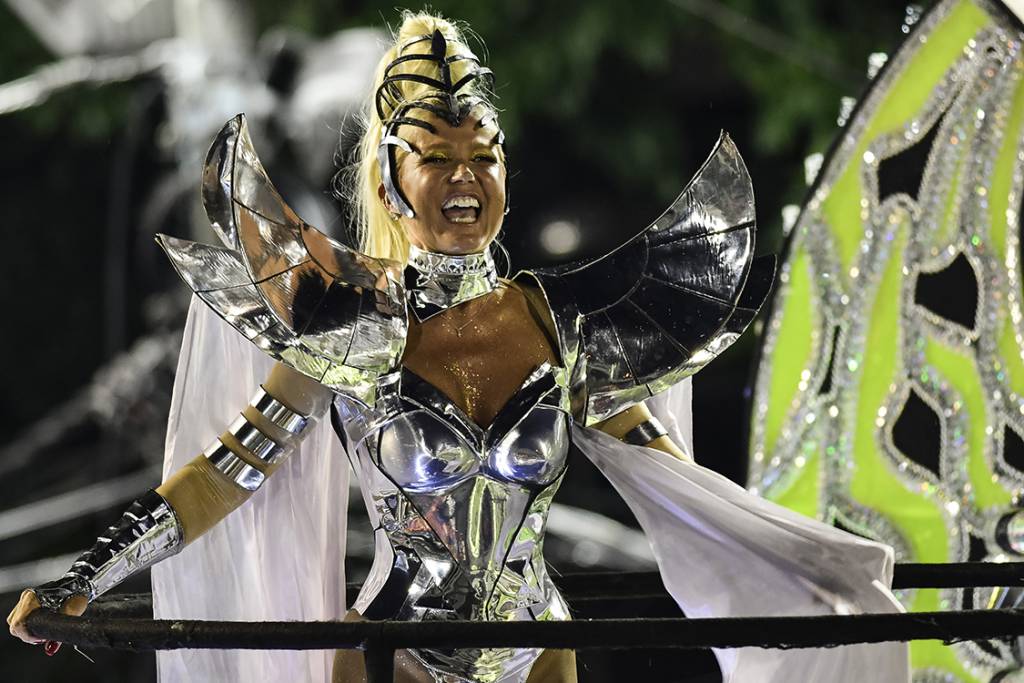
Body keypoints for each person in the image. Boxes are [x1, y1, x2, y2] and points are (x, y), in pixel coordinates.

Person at [9, 11, 910, 683]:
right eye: (435, 155)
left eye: (484, 152)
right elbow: (223, 474)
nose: (465, 175)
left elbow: (684, 490)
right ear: (391, 181)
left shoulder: (565, 328)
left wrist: (818, 570)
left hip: (542, 649)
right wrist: (88, 577)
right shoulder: (353, 325)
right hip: (396, 657)